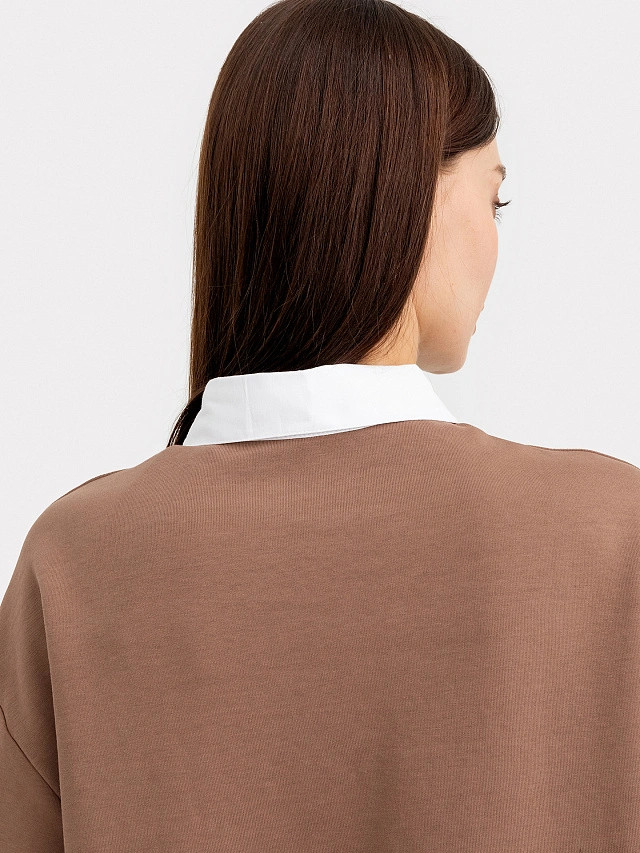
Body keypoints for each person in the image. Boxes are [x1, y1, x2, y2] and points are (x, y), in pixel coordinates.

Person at [1, 0, 639, 850]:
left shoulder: (75, 559)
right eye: (497, 198)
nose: (496, 241)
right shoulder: (610, 531)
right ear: (409, 198)